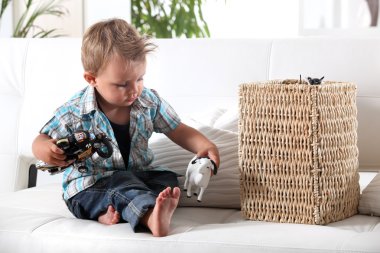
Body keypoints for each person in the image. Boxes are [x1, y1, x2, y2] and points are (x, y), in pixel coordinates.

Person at [31, 18, 220, 237]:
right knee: (120, 185)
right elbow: (40, 139)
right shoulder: (73, 112)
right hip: (90, 186)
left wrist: (205, 145)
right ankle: (151, 218)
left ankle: (114, 211)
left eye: (140, 78)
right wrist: (45, 148)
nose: (134, 90)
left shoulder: (148, 102)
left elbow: (177, 129)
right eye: (122, 84)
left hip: (137, 176)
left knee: (166, 179)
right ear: (92, 79)